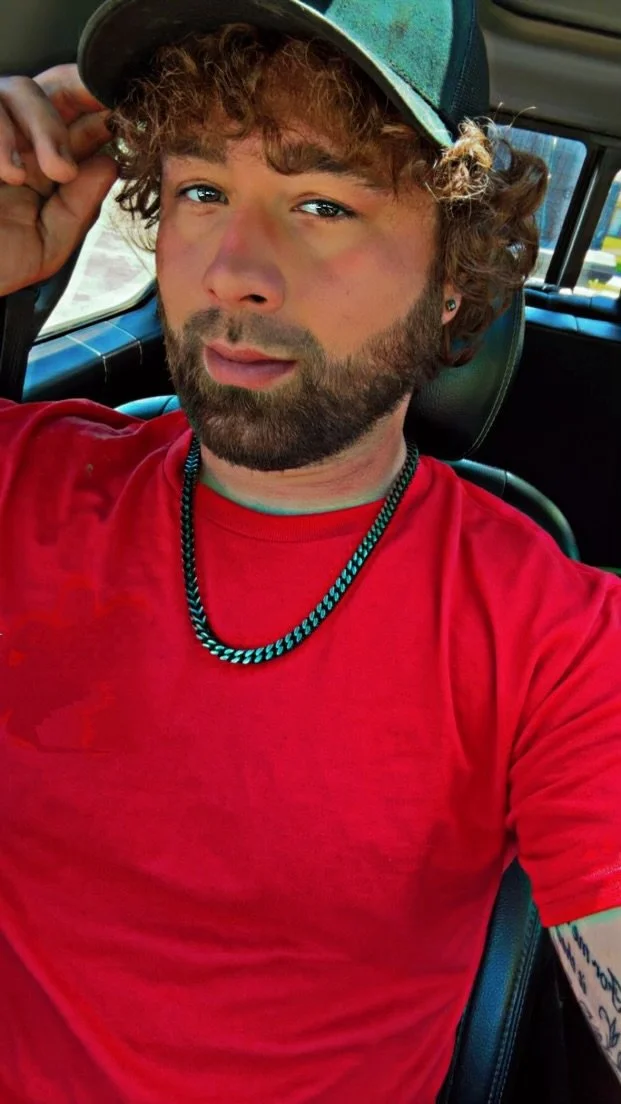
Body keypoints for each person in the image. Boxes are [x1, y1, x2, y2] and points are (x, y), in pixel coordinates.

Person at [1, 1, 621, 1101]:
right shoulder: (29, 478)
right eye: (201, 191)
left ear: (450, 280)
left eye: (323, 202)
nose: (235, 271)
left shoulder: (554, 639)